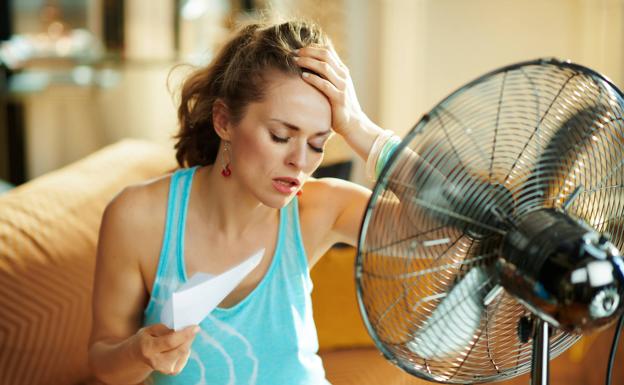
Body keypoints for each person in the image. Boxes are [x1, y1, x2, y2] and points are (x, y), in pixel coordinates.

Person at [88, 19, 400, 385]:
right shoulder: (138, 218)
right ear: (223, 121)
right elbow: (104, 363)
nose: (301, 162)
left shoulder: (317, 209)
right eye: (280, 136)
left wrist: (364, 131)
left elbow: (456, 228)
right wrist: (139, 352)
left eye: (318, 143)